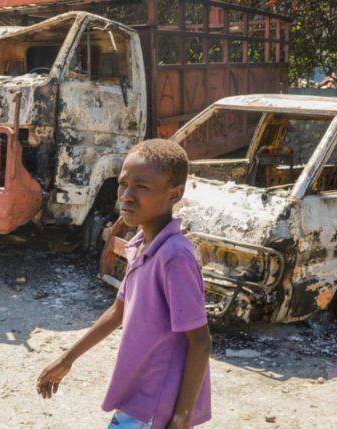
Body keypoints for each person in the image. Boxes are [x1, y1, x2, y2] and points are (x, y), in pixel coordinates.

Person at [37, 139, 212, 429]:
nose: (127, 196)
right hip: (139, 395)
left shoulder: (174, 256)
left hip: (156, 404)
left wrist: (181, 420)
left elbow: (201, 341)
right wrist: (67, 359)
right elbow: (118, 311)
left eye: (142, 187)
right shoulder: (142, 244)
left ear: (174, 194)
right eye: (123, 184)